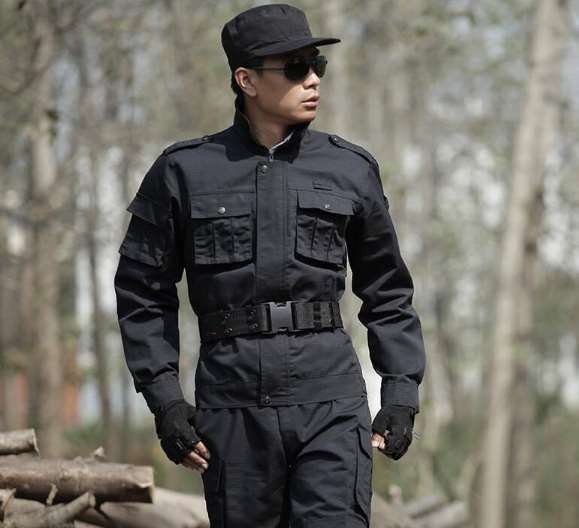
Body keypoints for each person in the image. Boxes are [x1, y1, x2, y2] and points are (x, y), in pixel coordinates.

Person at [114, 3, 426, 527]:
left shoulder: (350, 169)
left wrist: (400, 392)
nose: (313, 80)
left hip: (330, 403)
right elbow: (142, 294)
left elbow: (388, 291)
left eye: (316, 66)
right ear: (247, 80)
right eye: (296, 68)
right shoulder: (182, 172)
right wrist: (166, 401)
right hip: (232, 410)